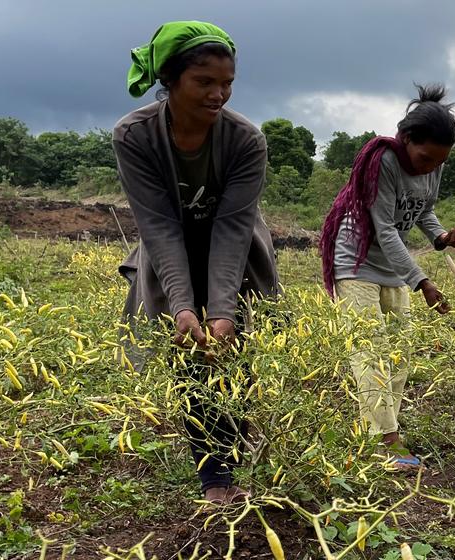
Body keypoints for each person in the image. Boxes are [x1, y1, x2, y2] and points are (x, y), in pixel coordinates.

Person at [115, 21, 279, 504]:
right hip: (169, 248)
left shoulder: (246, 140)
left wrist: (223, 309)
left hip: (236, 249)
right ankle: (215, 477)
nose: (219, 94)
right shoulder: (134, 135)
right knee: (189, 356)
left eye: (227, 82)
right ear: (170, 80)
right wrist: (184, 305)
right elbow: (158, 225)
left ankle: (238, 430)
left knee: (237, 351)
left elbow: (233, 227)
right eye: (204, 82)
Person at [320, 84, 455, 471]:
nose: (429, 167)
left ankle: (385, 428)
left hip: (393, 268)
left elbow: (422, 211)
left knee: (399, 355)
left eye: (439, 161)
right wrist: (423, 281)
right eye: (424, 157)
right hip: (355, 262)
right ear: (405, 140)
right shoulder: (382, 160)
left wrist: (441, 237)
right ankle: (385, 439)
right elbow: (384, 228)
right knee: (369, 349)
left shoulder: (434, 166)